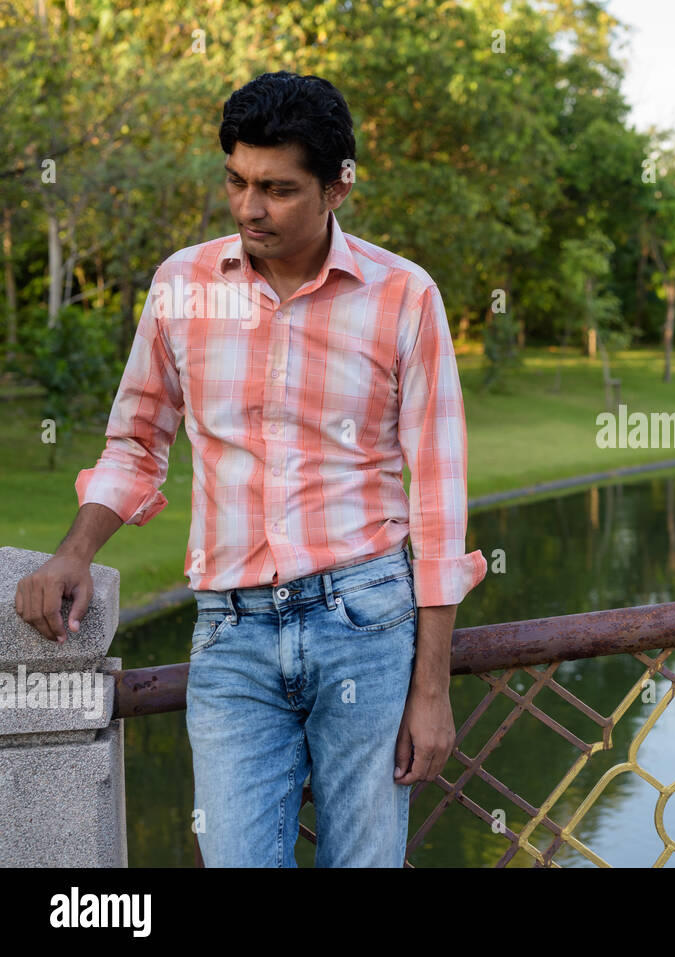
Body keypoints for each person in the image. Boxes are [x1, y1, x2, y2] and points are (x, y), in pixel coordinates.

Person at [12, 71, 487, 867]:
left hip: (366, 618)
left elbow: (437, 496)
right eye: (235, 180)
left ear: (339, 186)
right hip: (230, 630)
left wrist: (431, 688)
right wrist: (74, 551)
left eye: (277, 188)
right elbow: (136, 442)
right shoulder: (182, 285)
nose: (248, 208)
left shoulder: (405, 296)